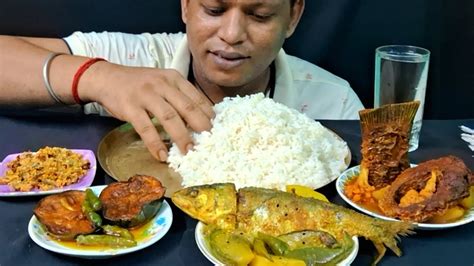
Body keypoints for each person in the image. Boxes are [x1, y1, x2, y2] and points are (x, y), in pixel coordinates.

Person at [0, 0, 363, 162]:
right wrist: (98, 76)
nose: (232, 34)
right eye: (214, 10)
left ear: (293, 16)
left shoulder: (335, 101)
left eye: (260, 14)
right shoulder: (132, 59)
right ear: (186, 5)